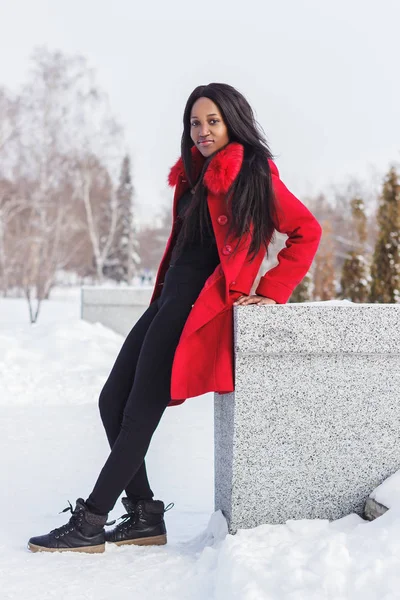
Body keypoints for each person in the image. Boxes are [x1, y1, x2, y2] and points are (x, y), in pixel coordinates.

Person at [28, 83, 322, 553]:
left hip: (195, 311)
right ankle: (144, 515)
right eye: (195, 122)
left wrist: (270, 291)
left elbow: (307, 229)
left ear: (232, 123)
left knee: (139, 414)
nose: (202, 131)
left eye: (212, 122)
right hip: (166, 303)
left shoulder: (253, 174)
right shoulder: (195, 175)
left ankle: (91, 522)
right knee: (112, 402)